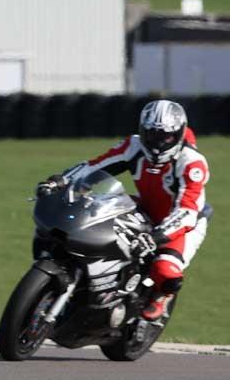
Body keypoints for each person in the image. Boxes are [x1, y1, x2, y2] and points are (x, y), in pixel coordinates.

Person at [38, 100, 210, 322]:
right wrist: (60, 181)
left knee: (165, 271)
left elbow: (186, 212)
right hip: (145, 206)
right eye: (152, 135)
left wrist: (156, 237)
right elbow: (95, 166)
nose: (158, 143)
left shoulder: (192, 163)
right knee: (91, 218)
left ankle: (161, 296)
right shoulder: (133, 145)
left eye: (166, 137)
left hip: (184, 224)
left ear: (179, 133)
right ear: (142, 131)